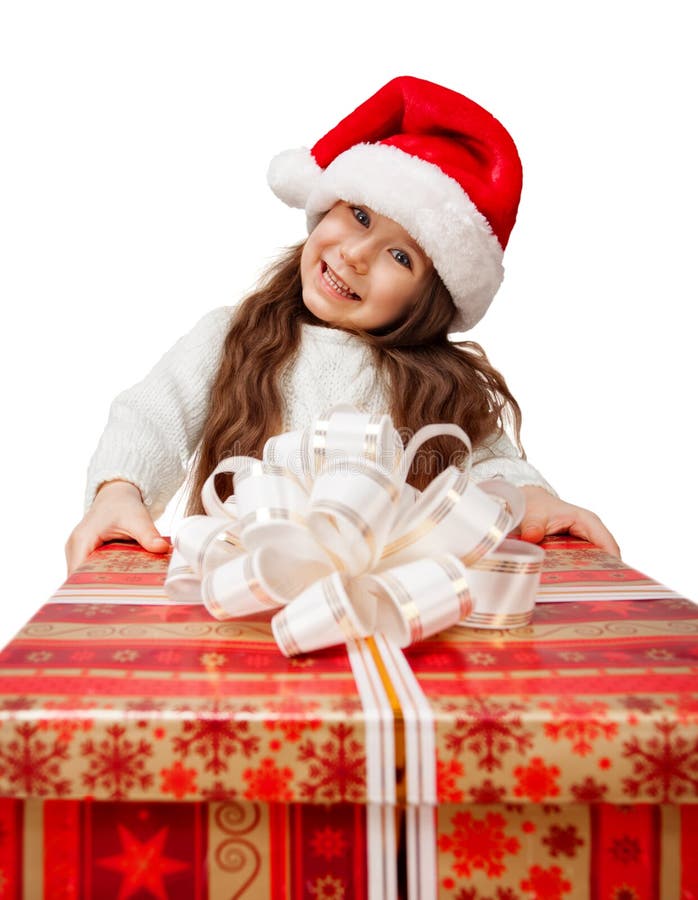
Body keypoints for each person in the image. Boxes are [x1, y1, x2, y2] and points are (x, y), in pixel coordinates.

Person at [65, 75, 619, 574]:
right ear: (325, 206)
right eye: (358, 215)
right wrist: (119, 491)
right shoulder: (231, 336)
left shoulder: (442, 387)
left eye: (400, 257)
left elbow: (494, 466)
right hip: (245, 591)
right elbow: (151, 417)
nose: (355, 255)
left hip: (397, 603)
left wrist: (534, 500)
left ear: (430, 299)